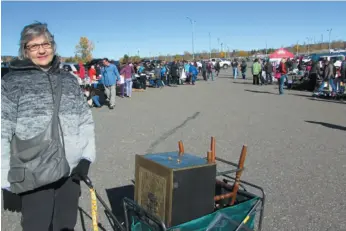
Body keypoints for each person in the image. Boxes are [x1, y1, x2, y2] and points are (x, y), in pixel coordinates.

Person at [1, 22, 96, 231]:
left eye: (45, 43)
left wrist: (86, 157)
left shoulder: (69, 81)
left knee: (66, 226)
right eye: (33, 46)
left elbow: (85, 121)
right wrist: (4, 179)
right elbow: (2, 131)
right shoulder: (11, 83)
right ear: (24, 51)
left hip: (70, 172)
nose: (42, 50)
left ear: (53, 45)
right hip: (33, 174)